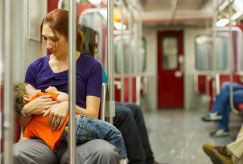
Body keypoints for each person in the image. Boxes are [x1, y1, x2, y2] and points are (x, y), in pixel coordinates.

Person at [13, 9, 119, 164]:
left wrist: (69, 107)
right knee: (12, 154)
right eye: (45, 38)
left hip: (78, 138)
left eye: (54, 39)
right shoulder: (35, 68)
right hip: (42, 140)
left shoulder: (91, 67)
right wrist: (27, 110)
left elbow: (92, 115)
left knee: (106, 152)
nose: (48, 45)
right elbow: (25, 124)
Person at [79, 24, 162, 164]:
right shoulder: (82, 65)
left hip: (100, 101)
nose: (96, 50)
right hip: (90, 107)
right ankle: (139, 161)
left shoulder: (91, 64)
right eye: (94, 45)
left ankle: (149, 159)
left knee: (135, 108)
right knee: (125, 114)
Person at [14, 82, 127, 162]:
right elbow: (66, 99)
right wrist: (56, 92)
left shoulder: (32, 124)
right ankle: (122, 159)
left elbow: (23, 139)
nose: (38, 90)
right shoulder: (42, 96)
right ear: (26, 98)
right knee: (113, 132)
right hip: (76, 124)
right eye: (34, 88)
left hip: (60, 138)